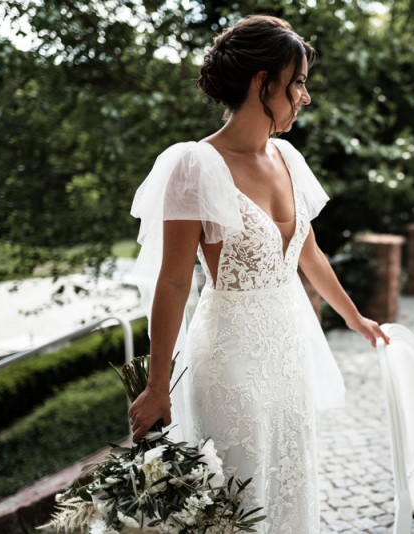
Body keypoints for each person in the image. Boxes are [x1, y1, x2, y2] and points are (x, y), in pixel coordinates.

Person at [127, 14, 389, 532]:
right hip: (230, 361)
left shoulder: (288, 157)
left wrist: (356, 319)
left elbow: (307, 253)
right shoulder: (193, 166)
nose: (305, 97)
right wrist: (158, 385)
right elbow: (174, 281)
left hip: (287, 353)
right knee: (240, 496)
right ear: (261, 83)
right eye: (298, 83)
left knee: (290, 481)